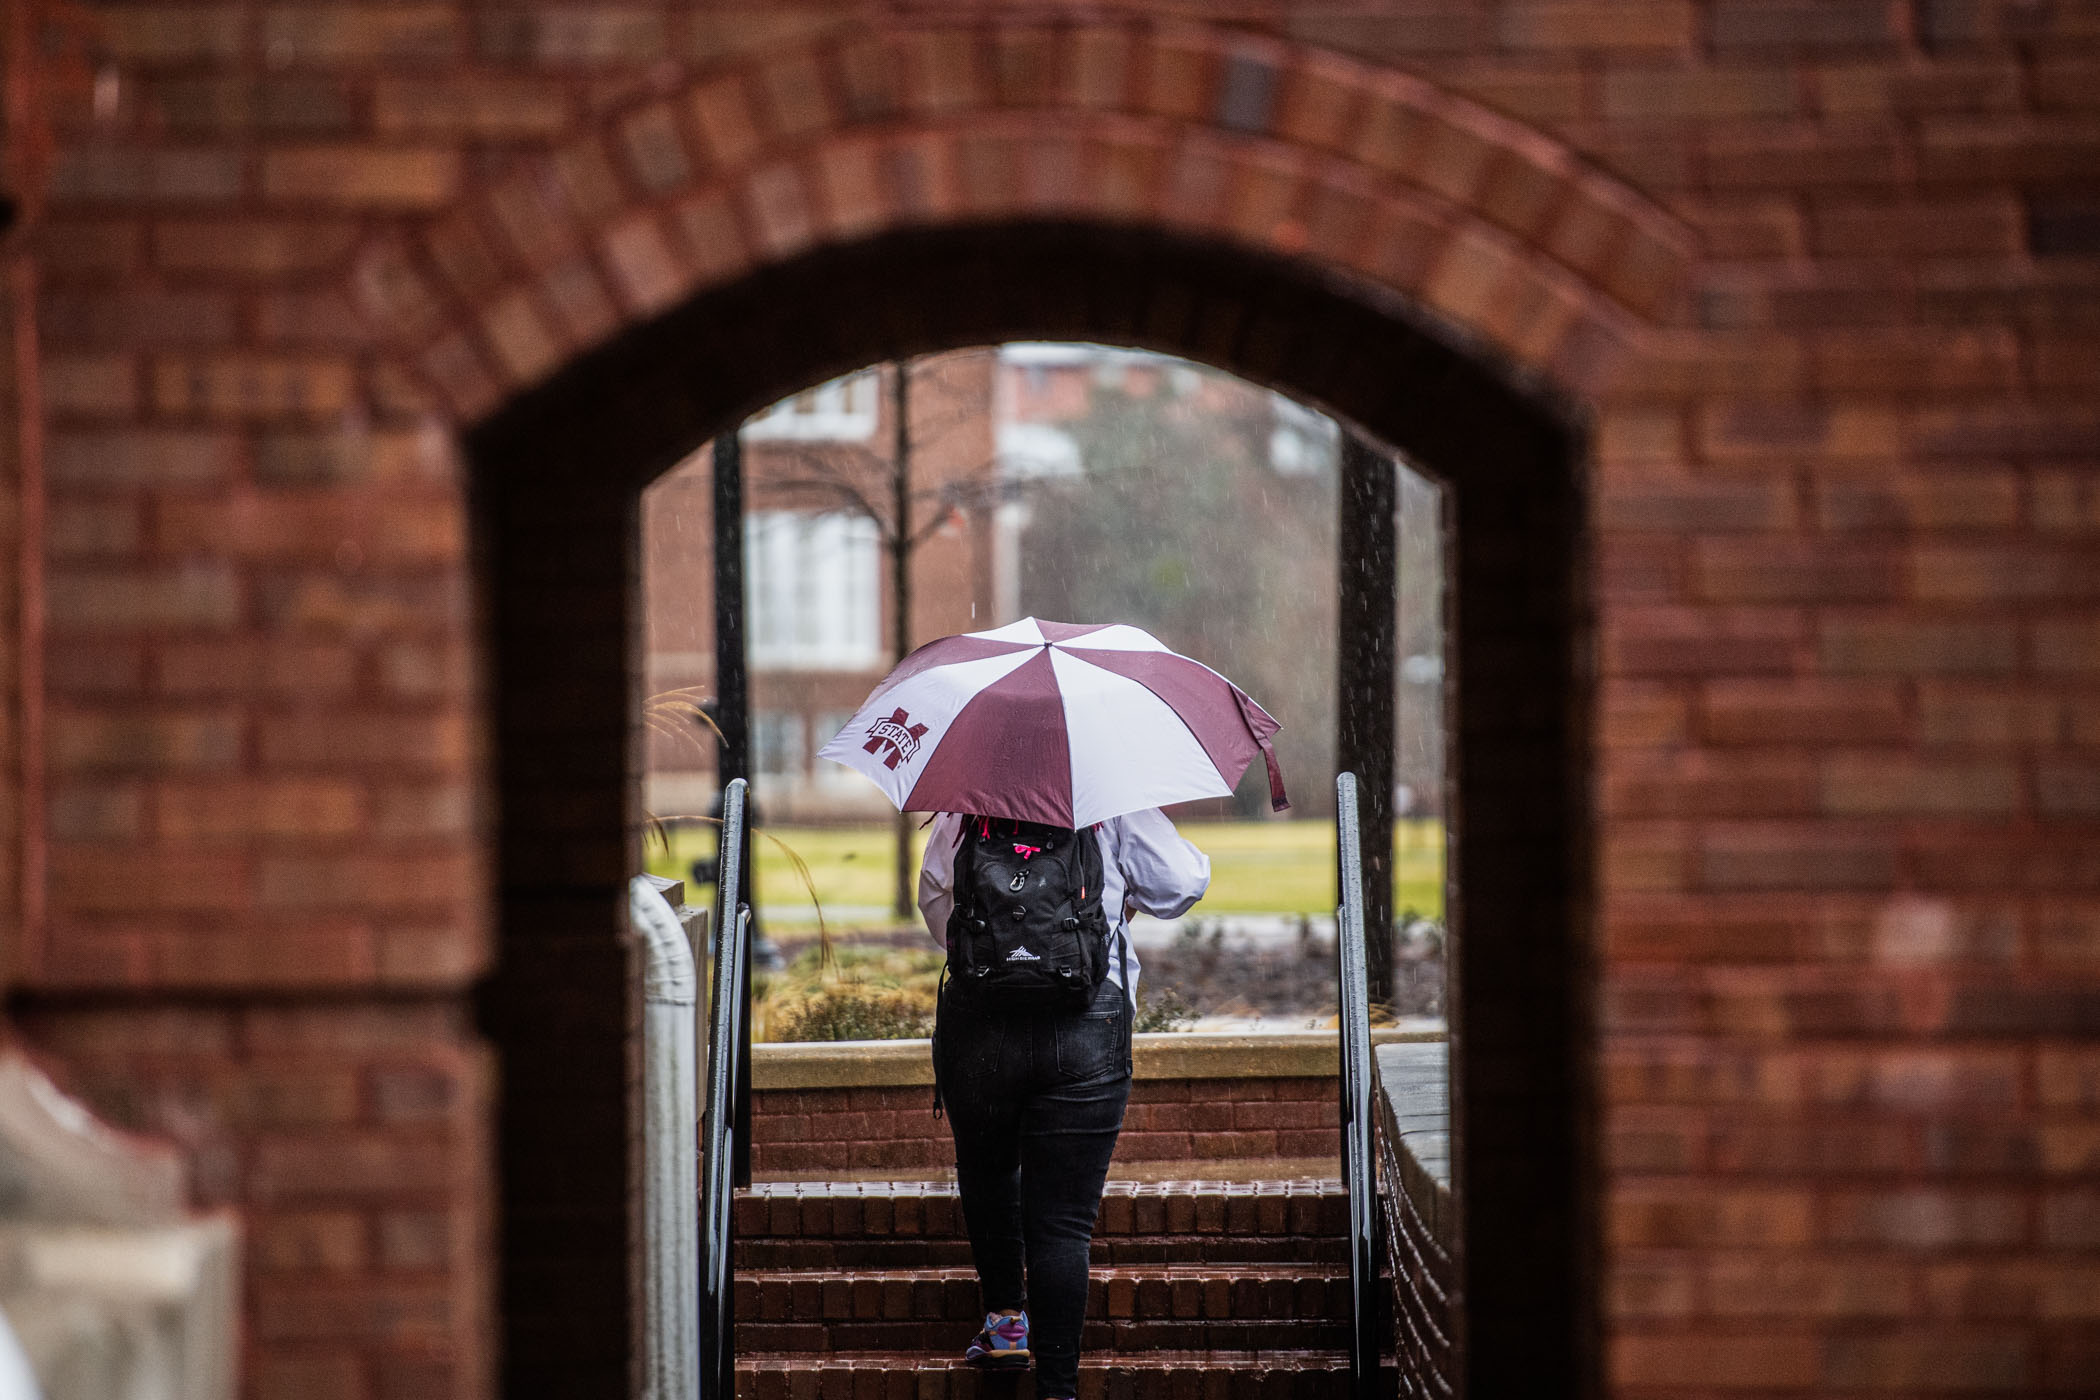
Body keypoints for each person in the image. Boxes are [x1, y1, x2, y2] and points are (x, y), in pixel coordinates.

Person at [919, 807, 1210, 1400]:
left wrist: (1005, 951)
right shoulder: (1112, 800)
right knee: (1062, 1224)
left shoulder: (966, 806)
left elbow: (935, 902)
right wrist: (1115, 900)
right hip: (1088, 1018)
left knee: (987, 1171)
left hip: (980, 1025)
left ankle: (1005, 1326)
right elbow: (1178, 885)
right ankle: (1057, 1389)